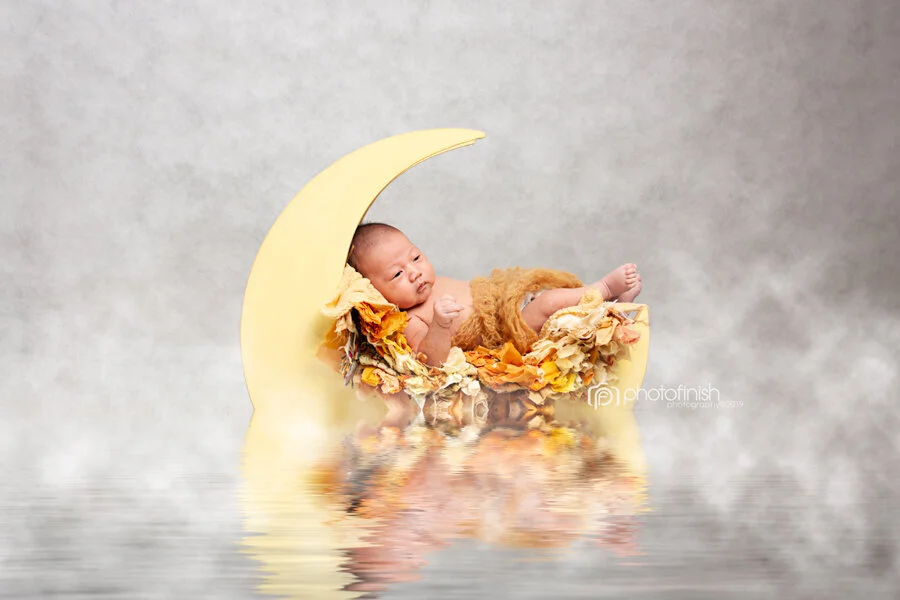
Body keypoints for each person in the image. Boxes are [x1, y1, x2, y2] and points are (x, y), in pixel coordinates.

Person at [347, 223, 642, 367]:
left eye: (416, 257)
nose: (414, 273)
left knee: (557, 299)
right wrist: (438, 325)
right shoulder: (411, 319)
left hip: (507, 304)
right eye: (397, 274)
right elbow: (429, 361)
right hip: (504, 335)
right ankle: (603, 290)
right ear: (375, 291)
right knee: (551, 306)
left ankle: (608, 310)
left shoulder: (428, 285)